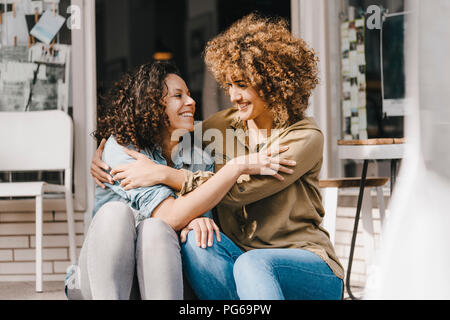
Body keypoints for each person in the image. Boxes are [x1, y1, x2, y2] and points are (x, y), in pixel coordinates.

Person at [67, 60, 294, 300]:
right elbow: (171, 214)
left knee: (156, 228)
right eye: (178, 96)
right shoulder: (122, 148)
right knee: (116, 213)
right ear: (151, 104)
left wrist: (194, 216)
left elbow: (195, 220)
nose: (191, 102)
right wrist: (235, 168)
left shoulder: (199, 157)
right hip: (101, 282)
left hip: (157, 278)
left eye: (189, 94)